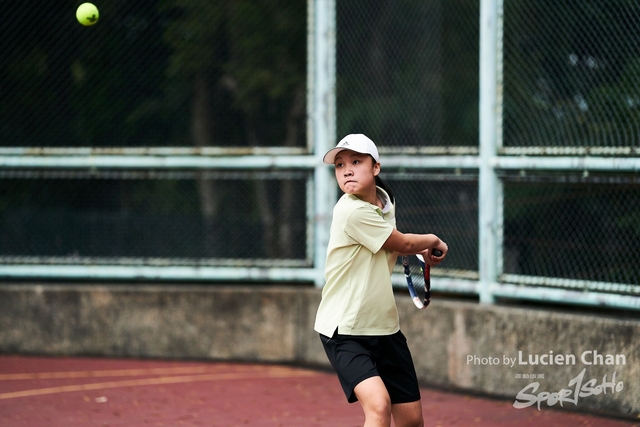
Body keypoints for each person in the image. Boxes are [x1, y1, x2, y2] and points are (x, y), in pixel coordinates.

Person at [314, 134, 448, 427]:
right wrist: (432, 240)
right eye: (339, 165)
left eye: (356, 161)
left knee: (411, 420)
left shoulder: (385, 201)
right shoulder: (350, 210)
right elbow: (402, 243)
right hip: (344, 330)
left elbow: (392, 242)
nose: (346, 170)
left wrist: (417, 248)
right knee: (378, 406)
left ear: (376, 168)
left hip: (385, 327)